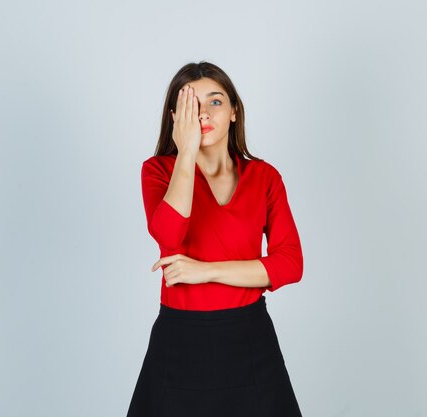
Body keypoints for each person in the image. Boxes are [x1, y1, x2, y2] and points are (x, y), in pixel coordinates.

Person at [126, 61, 304, 417]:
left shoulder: (264, 177)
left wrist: (204, 271)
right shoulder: (157, 171)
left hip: (250, 339)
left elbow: (290, 265)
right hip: (180, 341)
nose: (204, 113)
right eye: (192, 105)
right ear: (176, 116)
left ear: (235, 110)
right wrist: (187, 151)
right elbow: (169, 235)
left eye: (215, 102)